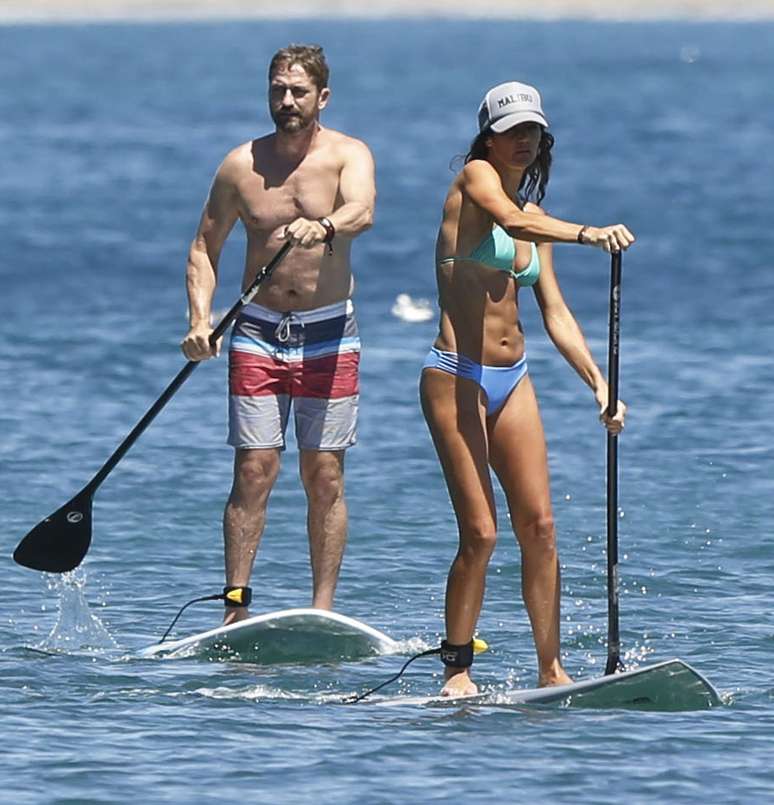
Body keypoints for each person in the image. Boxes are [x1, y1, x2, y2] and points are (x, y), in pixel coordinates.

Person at [419, 81, 635, 697]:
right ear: (488, 137)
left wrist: (601, 385)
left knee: (539, 525)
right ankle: (457, 667)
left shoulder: (538, 222)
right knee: (481, 533)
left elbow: (557, 314)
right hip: (455, 376)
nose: (522, 141)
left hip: (513, 379)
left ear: (542, 139)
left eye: (532, 131)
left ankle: (551, 668)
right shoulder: (473, 181)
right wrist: (592, 233)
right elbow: (506, 216)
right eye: (511, 130)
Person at [181, 44, 375, 623]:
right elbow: (203, 249)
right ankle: (236, 606)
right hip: (257, 332)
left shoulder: (348, 155)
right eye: (277, 90)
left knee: (324, 473)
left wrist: (325, 225)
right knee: (253, 468)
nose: (286, 101)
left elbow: (363, 210)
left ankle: (321, 611)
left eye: (298, 91)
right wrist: (199, 320)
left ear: (322, 97)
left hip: (329, 332)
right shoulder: (241, 166)